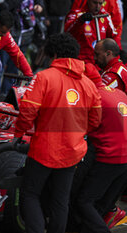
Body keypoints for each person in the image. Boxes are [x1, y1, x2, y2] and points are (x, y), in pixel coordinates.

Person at [13, 33, 102, 233]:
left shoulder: (44, 77)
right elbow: (96, 120)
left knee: (30, 194)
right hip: (73, 152)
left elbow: (27, 109)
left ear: (54, 55)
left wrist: (18, 133)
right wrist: (77, 133)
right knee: (61, 200)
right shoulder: (88, 84)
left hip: (44, 150)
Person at [74, 63, 127, 233]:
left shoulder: (93, 96)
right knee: (100, 205)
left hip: (109, 157)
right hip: (124, 158)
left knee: (83, 201)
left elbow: (79, 129)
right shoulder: (119, 93)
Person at [64, 0, 119, 66]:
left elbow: (114, 37)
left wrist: (118, 55)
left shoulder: (105, 16)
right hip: (80, 62)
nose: (97, 6)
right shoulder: (77, 14)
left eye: (100, 3)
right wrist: (80, 21)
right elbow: (67, 31)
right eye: (95, 3)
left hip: (98, 63)